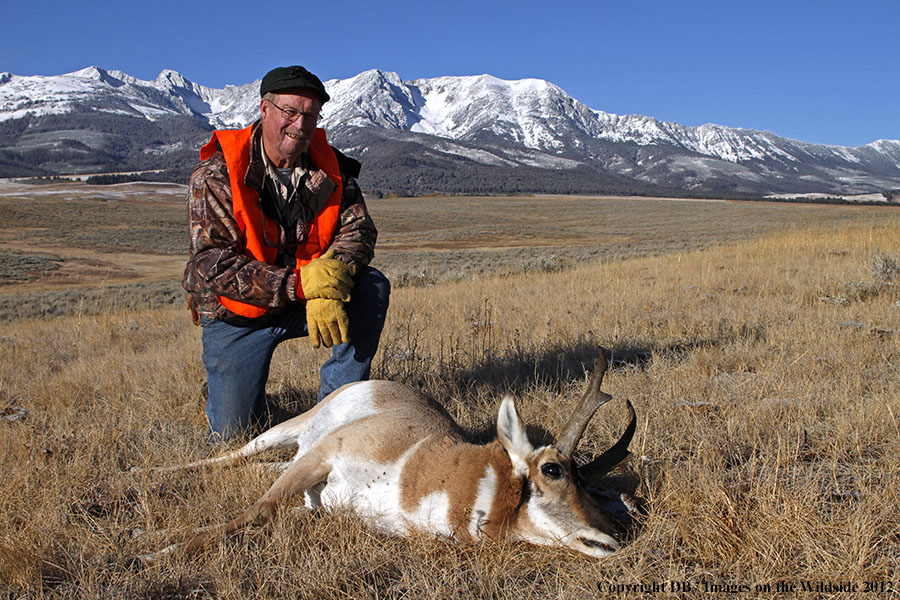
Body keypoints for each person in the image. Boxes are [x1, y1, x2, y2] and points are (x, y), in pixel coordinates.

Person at [183, 65, 390, 442]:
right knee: (234, 436)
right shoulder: (217, 175)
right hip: (237, 314)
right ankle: (232, 396)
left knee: (371, 286)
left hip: (303, 300)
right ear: (264, 109)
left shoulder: (332, 170)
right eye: (290, 112)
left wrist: (328, 280)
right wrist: (298, 285)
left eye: (310, 115)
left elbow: (358, 231)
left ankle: (337, 417)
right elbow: (210, 265)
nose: (300, 123)